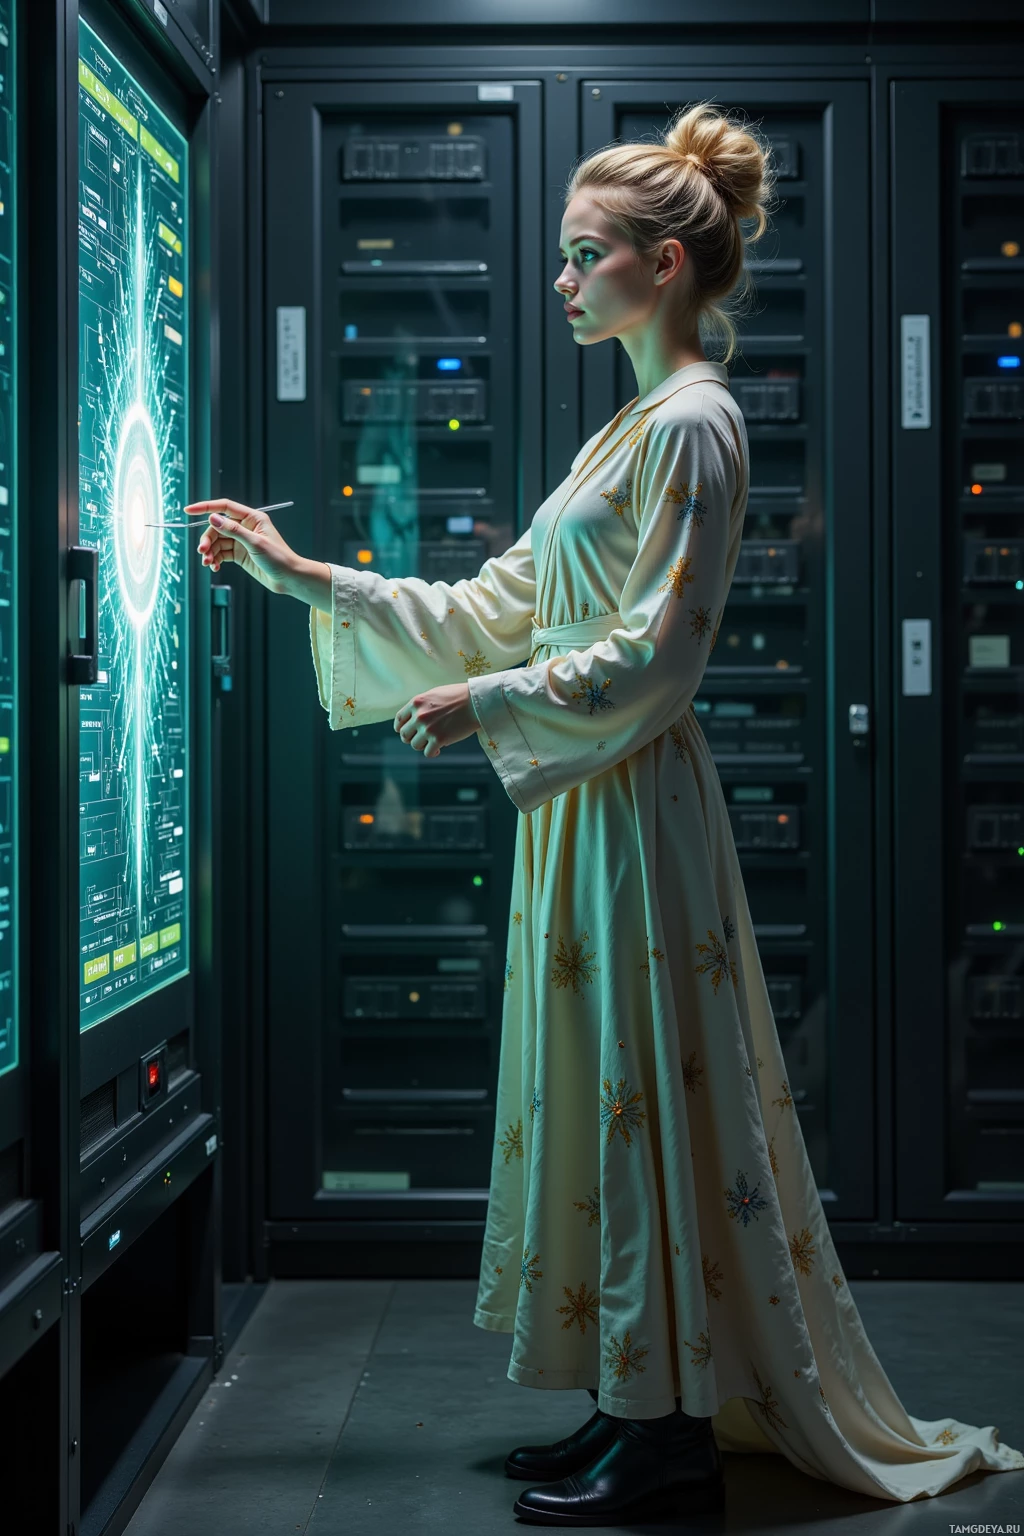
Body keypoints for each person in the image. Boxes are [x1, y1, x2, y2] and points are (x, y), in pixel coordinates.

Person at [186, 100, 1024, 1526]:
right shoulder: (633, 425)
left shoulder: (693, 425)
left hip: (630, 806)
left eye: (587, 257)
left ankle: (670, 1433)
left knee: (639, 1090)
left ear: (669, 266)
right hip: (593, 808)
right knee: (605, 1088)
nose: (563, 281)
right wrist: (300, 573)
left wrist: (489, 705)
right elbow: (499, 600)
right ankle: (634, 1399)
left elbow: (660, 652)